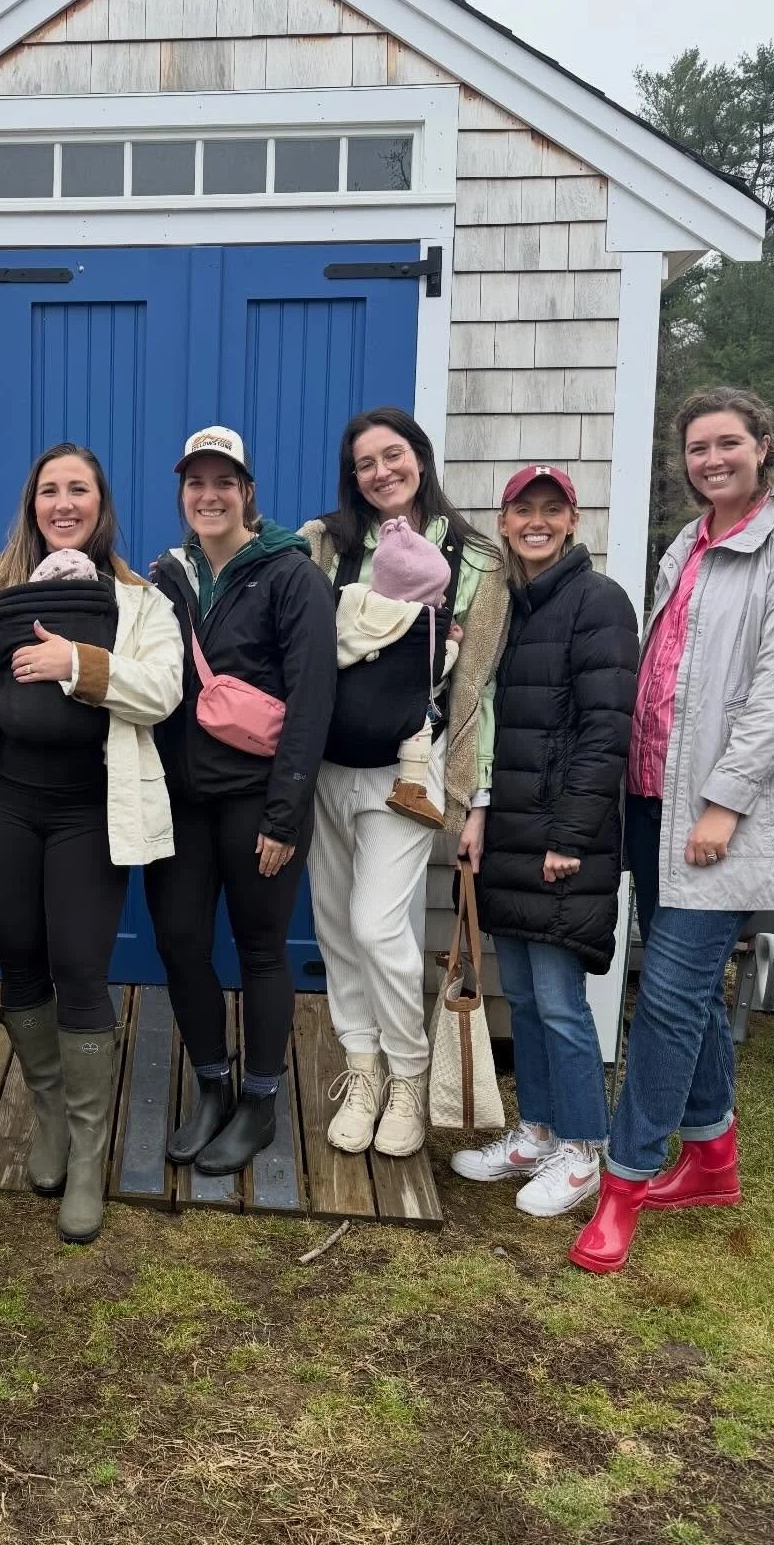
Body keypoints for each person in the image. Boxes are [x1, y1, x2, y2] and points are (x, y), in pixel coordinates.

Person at [571, 389, 774, 1272]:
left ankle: (624, 1182)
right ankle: (712, 1157)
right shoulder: (688, 544)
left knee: (670, 1000)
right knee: (688, 984)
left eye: (728, 443)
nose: (711, 459)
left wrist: (724, 802)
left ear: (764, 446)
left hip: (720, 813)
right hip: (653, 799)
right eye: (696, 448)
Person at [0, 441, 183, 1246]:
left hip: (92, 808)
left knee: (81, 968)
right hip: (2, 803)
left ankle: (87, 1156)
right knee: (18, 958)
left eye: (77, 489)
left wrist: (76, 661)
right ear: (31, 502)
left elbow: (162, 691)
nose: (62, 503)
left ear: (100, 503)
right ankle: (50, 1119)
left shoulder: (139, 598)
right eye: (49, 490)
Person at [301, 406, 509, 1159]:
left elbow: (477, 689)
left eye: (394, 456)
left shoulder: (479, 562)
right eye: (365, 463)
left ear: (420, 458)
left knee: (377, 925)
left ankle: (408, 1076)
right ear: (351, 477)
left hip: (408, 773)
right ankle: (362, 1067)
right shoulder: (324, 546)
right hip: (325, 765)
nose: (381, 472)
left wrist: (474, 796)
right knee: (333, 922)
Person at [148, 427, 336, 1173]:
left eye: (224, 481)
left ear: (247, 492)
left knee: (261, 949)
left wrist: (286, 813)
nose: (210, 495)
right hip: (181, 804)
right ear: (183, 494)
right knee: (179, 944)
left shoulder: (291, 576)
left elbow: (313, 698)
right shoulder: (166, 578)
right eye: (197, 482)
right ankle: (213, 1086)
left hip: (258, 804)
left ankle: (261, 1100)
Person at [451, 466, 637, 1216]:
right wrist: (478, 813)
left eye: (550, 510)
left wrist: (570, 835)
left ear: (573, 519)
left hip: (563, 840)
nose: (536, 521)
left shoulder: (598, 602)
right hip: (511, 832)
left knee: (561, 1003)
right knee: (522, 998)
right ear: (502, 524)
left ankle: (584, 1149)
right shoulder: (509, 608)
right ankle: (536, 1130)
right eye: (522, 510)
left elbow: (606, 728)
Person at [333, 514, 463, 828]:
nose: (442, 599)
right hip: (393, 736)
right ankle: (410, 789)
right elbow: (434, 672)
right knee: (420, 720)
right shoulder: (421, 627)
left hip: (340, 733)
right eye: (437, 592)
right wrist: (454, 646)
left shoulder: (351, 604)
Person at [0, 548, 114, 772]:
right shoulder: (103, 615)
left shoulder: (19, 611)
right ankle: (112, 752)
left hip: (11, 706)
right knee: (113, 718)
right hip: (89, 720)